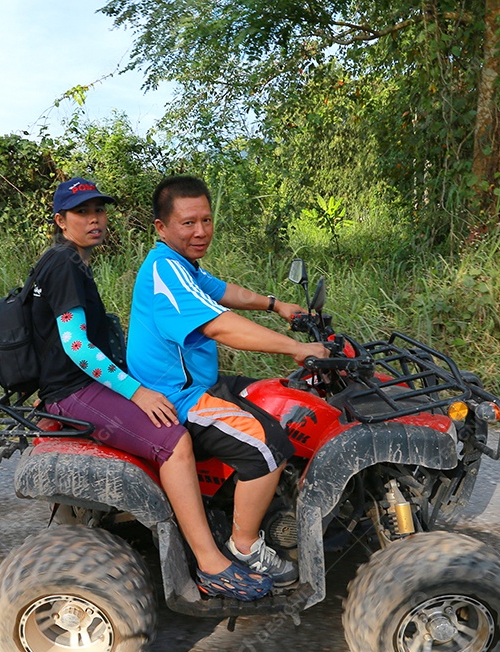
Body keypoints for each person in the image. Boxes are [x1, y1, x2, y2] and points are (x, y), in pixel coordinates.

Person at [32, 177, 272, 601]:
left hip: (74, 382)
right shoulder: (66, 265)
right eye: (83, 213)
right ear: (60, 220)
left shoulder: (68, 259)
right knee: (173, 439)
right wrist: (136, 391)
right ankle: (211, 564)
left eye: (99, 211)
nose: (95, 220)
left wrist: (276, 304)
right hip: (75, 388)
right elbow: (74, 344)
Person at [127, 174, 331, 589]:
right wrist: (296, 347)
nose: (200, 231)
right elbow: (222, 327)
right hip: (176, 400)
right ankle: (244, 544)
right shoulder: (164, 272)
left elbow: (225, 292)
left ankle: (271, 502)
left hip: (202, 383)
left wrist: (277, 305)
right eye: (188, 223)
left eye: (206, 220)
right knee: (268, 443)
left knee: (286, 398)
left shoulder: (180, 265)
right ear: (161, 228)